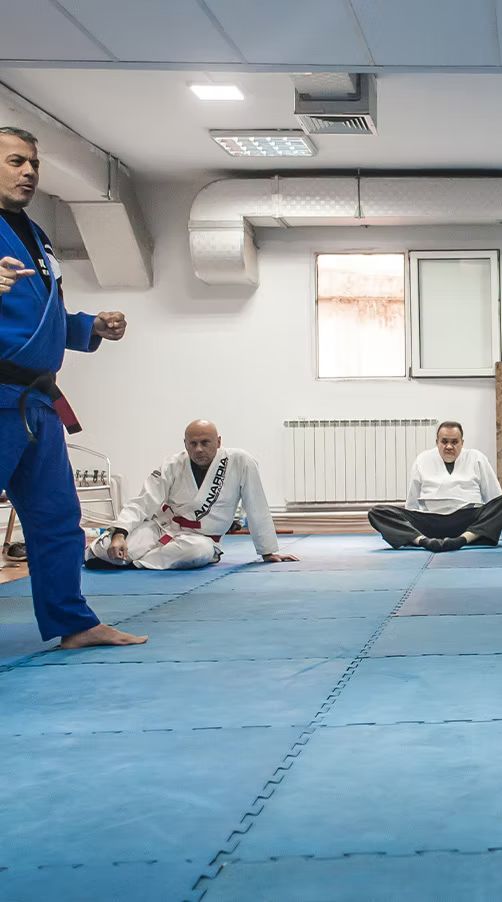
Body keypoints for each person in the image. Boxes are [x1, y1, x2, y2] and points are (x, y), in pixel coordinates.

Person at [0, 126, 144, 648]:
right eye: (16, 161)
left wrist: (89, 328)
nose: (29, 172)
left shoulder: (34, 235)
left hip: (36, 401)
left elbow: (46, 316)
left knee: (59, 520)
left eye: (32, 163)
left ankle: (72, 623)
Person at [85, 420, 297, 570]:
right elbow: (143, 502)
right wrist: (120, 534)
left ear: (219, 442)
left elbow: (256, 506)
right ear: (185, 443)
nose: (198, 449)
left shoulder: (241, 462)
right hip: (161, 529)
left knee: (196, 553)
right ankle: (130, 557)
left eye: (205, 442)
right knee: (106, 549)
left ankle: (134, 561)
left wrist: (268, 551)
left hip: (200, 540)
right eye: (192, 443)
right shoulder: (172, 464)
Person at [367, 421, 502, 552]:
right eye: (444, 441)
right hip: (430, 522)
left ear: (462, 443)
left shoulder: (476, 458)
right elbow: (412, 501)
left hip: (468, 520)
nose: (449, 446)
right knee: (377, 512)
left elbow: (493, 494)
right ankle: (422, 541)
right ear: (437, 442)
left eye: (454, 442)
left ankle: (461, 541)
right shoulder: (423, 459)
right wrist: (408, 524)